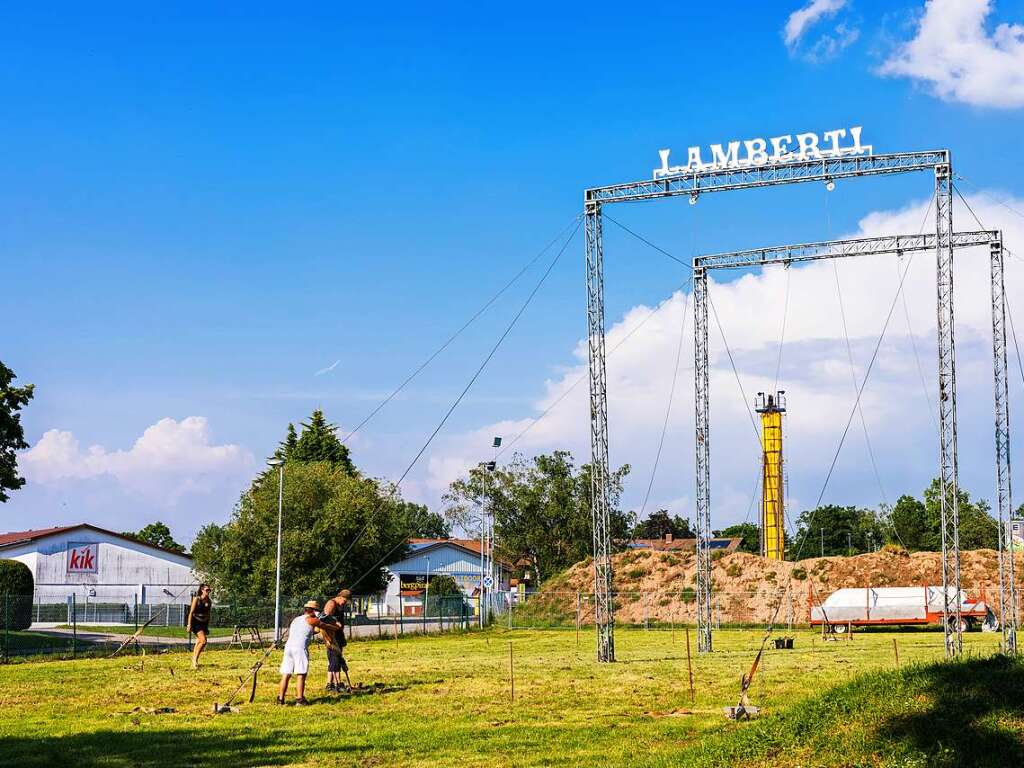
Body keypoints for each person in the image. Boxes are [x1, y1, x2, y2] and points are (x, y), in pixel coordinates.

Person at [278, 600, 333, 706]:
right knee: (301, 674)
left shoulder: (296, 619)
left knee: (286, 674)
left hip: (288, 647)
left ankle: (280, 699)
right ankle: (299, 699)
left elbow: (310, 630)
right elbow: (325, 626)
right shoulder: (312, 619)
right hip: (300, 648)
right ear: (314, 611)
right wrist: (337, 627)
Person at [320, 589, 351, 691]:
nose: (345, 604)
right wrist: (335, 623)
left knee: (336, 659)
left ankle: (330, 683)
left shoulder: (339, 605)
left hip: (338, 634)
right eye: (345, 601)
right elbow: (324, 618)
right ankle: (337, 683)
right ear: (341, 597)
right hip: (332, 635)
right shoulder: (331, 603)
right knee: (335, 659)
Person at [187, 584, 212, 670]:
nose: (208, 591)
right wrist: (189, 624)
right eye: (207, 590)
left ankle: (193, 661)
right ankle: (195, 660)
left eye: (209, 590)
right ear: (202, 590)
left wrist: (207, 626)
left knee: (198, 642)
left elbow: (208, 614)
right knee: (203, 641)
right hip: (195, 623)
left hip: (203, 624)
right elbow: (191, 612)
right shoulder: (196, 599)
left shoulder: (209, 601)